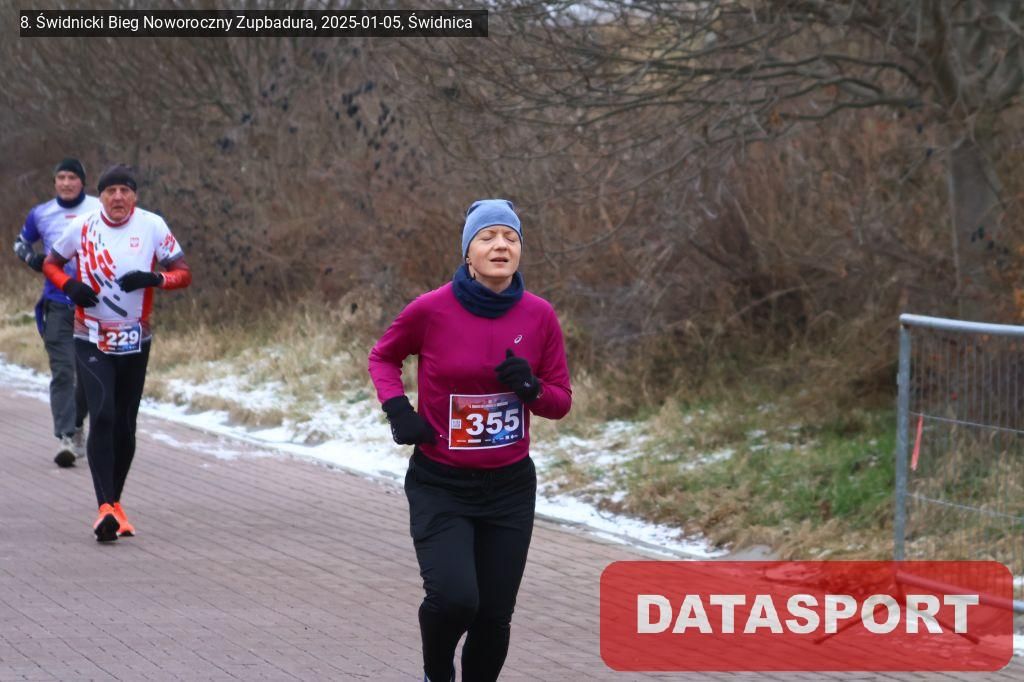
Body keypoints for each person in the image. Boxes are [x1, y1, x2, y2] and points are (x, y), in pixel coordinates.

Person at [368, 199, 572, 682]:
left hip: (509, 489)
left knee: (494, 616)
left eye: (511, 238)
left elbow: (560, 400)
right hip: (442, 484)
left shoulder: (539, 315)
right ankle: (437, 673)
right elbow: (383, 357)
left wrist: (531, 388)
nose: (501, 245)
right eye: (487, 237)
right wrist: (399, 411)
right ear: (468, 252)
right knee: (456, 599)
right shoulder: (431, 309)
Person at [42, 165, 192, 542]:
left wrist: (154, 278)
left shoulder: (152, 225)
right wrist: (70, 286)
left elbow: (183, 273)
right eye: (111, 191)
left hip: (135, 338)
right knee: (103, 413)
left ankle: (115, 504)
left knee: (125, 422)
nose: (118, 197)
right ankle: (104, 507)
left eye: (125, 190)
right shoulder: (83, 226)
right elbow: (51, 264)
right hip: (91, 335)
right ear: (101, 197)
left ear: (135, 196)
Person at [12, 158, 99, 467]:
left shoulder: (98, 209)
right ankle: (66, 437)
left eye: (72, 177)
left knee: (88, 374)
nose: (66, 183)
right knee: (63, 370)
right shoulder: (41, 213)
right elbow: (20, 243)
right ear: (54, 182)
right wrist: (32, 259)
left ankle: (77, 424)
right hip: (58, 303)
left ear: (82, 181)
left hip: (95, 305)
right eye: (61, 177)